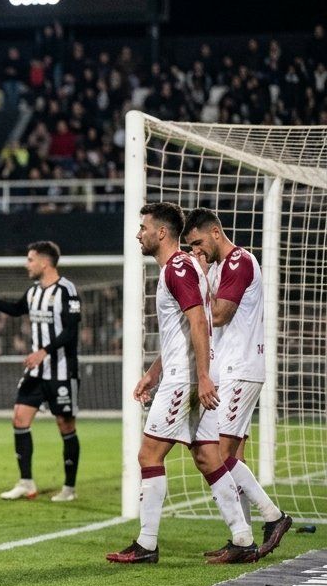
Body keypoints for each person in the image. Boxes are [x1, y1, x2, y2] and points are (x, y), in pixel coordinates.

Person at [107, 202, 259, 564]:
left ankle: (146, 544)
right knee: (208, 457)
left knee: (148, 454)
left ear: (161, 233)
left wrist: (203, 377)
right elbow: (188, 327)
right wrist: (153, 372)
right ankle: (243, 538)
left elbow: (198, 323)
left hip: (185, 380)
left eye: (143, 227)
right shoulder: (186, 267)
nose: (138, 234)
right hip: (185, 375)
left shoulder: (176, 267)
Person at [182, 208, 292, 558]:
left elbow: (220, 313)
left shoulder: (238, 261)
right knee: (222, 455)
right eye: (191, 247)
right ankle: (245, 535)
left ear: (215, 231)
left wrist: (196, 280)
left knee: (214, 453)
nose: (196, 251)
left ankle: (269, 520)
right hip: (226, 370)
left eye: (198, 243)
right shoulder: (215, 267)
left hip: (239, 369)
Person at [0, 241, 83, 502]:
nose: (26, 264)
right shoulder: (33, 292)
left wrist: (44, 351)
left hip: (61, 370)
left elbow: (71, 329)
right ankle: (26, 482)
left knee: (65, 424)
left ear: (44, 262)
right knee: (19, 418)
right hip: (36, 372)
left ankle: (69, 488)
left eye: (30, 259)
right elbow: (16, 310)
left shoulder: (66, 290)